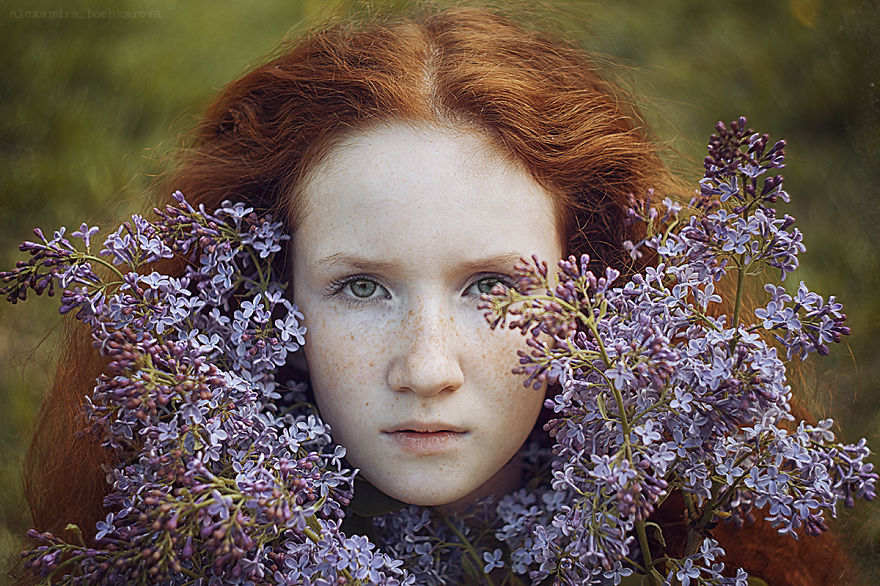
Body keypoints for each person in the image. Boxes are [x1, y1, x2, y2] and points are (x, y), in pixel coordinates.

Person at [21, 4, 856, 584]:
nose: (426, 370)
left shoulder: (691, 539)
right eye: (359, 287)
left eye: (492, 284)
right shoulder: (186, 532)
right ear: (266, 293)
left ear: (596, 291)